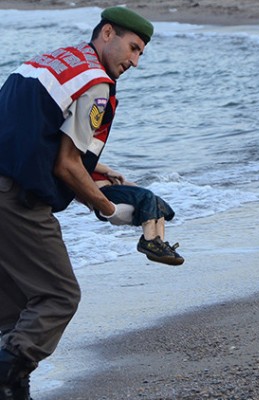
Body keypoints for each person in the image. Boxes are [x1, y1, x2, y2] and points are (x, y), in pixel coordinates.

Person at [0, 6, 155, 400]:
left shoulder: (54, 60)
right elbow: (67, 166)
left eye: (140, 54)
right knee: (58, 296)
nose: (134, 62)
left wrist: (97, 167)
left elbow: (33, 127)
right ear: (107, 33)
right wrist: (108, 209)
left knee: (13, 305)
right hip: (15, 200)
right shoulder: (97, 83)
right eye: (133, 48)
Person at [91, 162, 184, 266]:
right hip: (103, 192)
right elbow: (87, 161)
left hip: (114, 189)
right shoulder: (82, 161)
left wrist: (129, 185)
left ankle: (159, 246)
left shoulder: (96, 167)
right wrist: (109, 170)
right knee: (147, 195)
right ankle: (148, 242)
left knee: (156, 202)